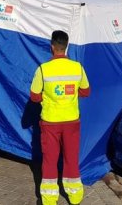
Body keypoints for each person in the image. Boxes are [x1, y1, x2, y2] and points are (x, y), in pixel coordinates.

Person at [30, 30, 91, 205]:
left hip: (50, 122)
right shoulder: (77, 68)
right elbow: (86, 91)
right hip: (72, 121)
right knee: (71, 158)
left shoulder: (43, 69)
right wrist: (69, 95)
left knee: (49, 161)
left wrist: (49, 99)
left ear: (51, 47)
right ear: (67, 47)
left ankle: (49, 199)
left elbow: (34, 96)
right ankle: (75, 196)